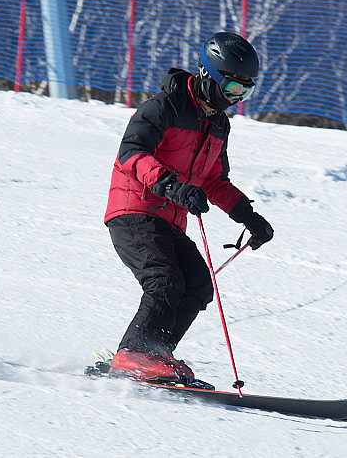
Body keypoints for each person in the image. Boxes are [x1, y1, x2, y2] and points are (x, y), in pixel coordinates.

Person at [104, 32, 274, 381]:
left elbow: (214, 180)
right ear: (208, 75)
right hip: (135, 210)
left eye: (245, 92)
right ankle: (134, 355)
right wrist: (172, 186)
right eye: (232, 89)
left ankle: (154, 355)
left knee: (197, 283)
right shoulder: (164, 107)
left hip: (169, 219)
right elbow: (131, 153)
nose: (235, 99)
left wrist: (247, 215)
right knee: (164, 279)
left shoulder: (218, 124)